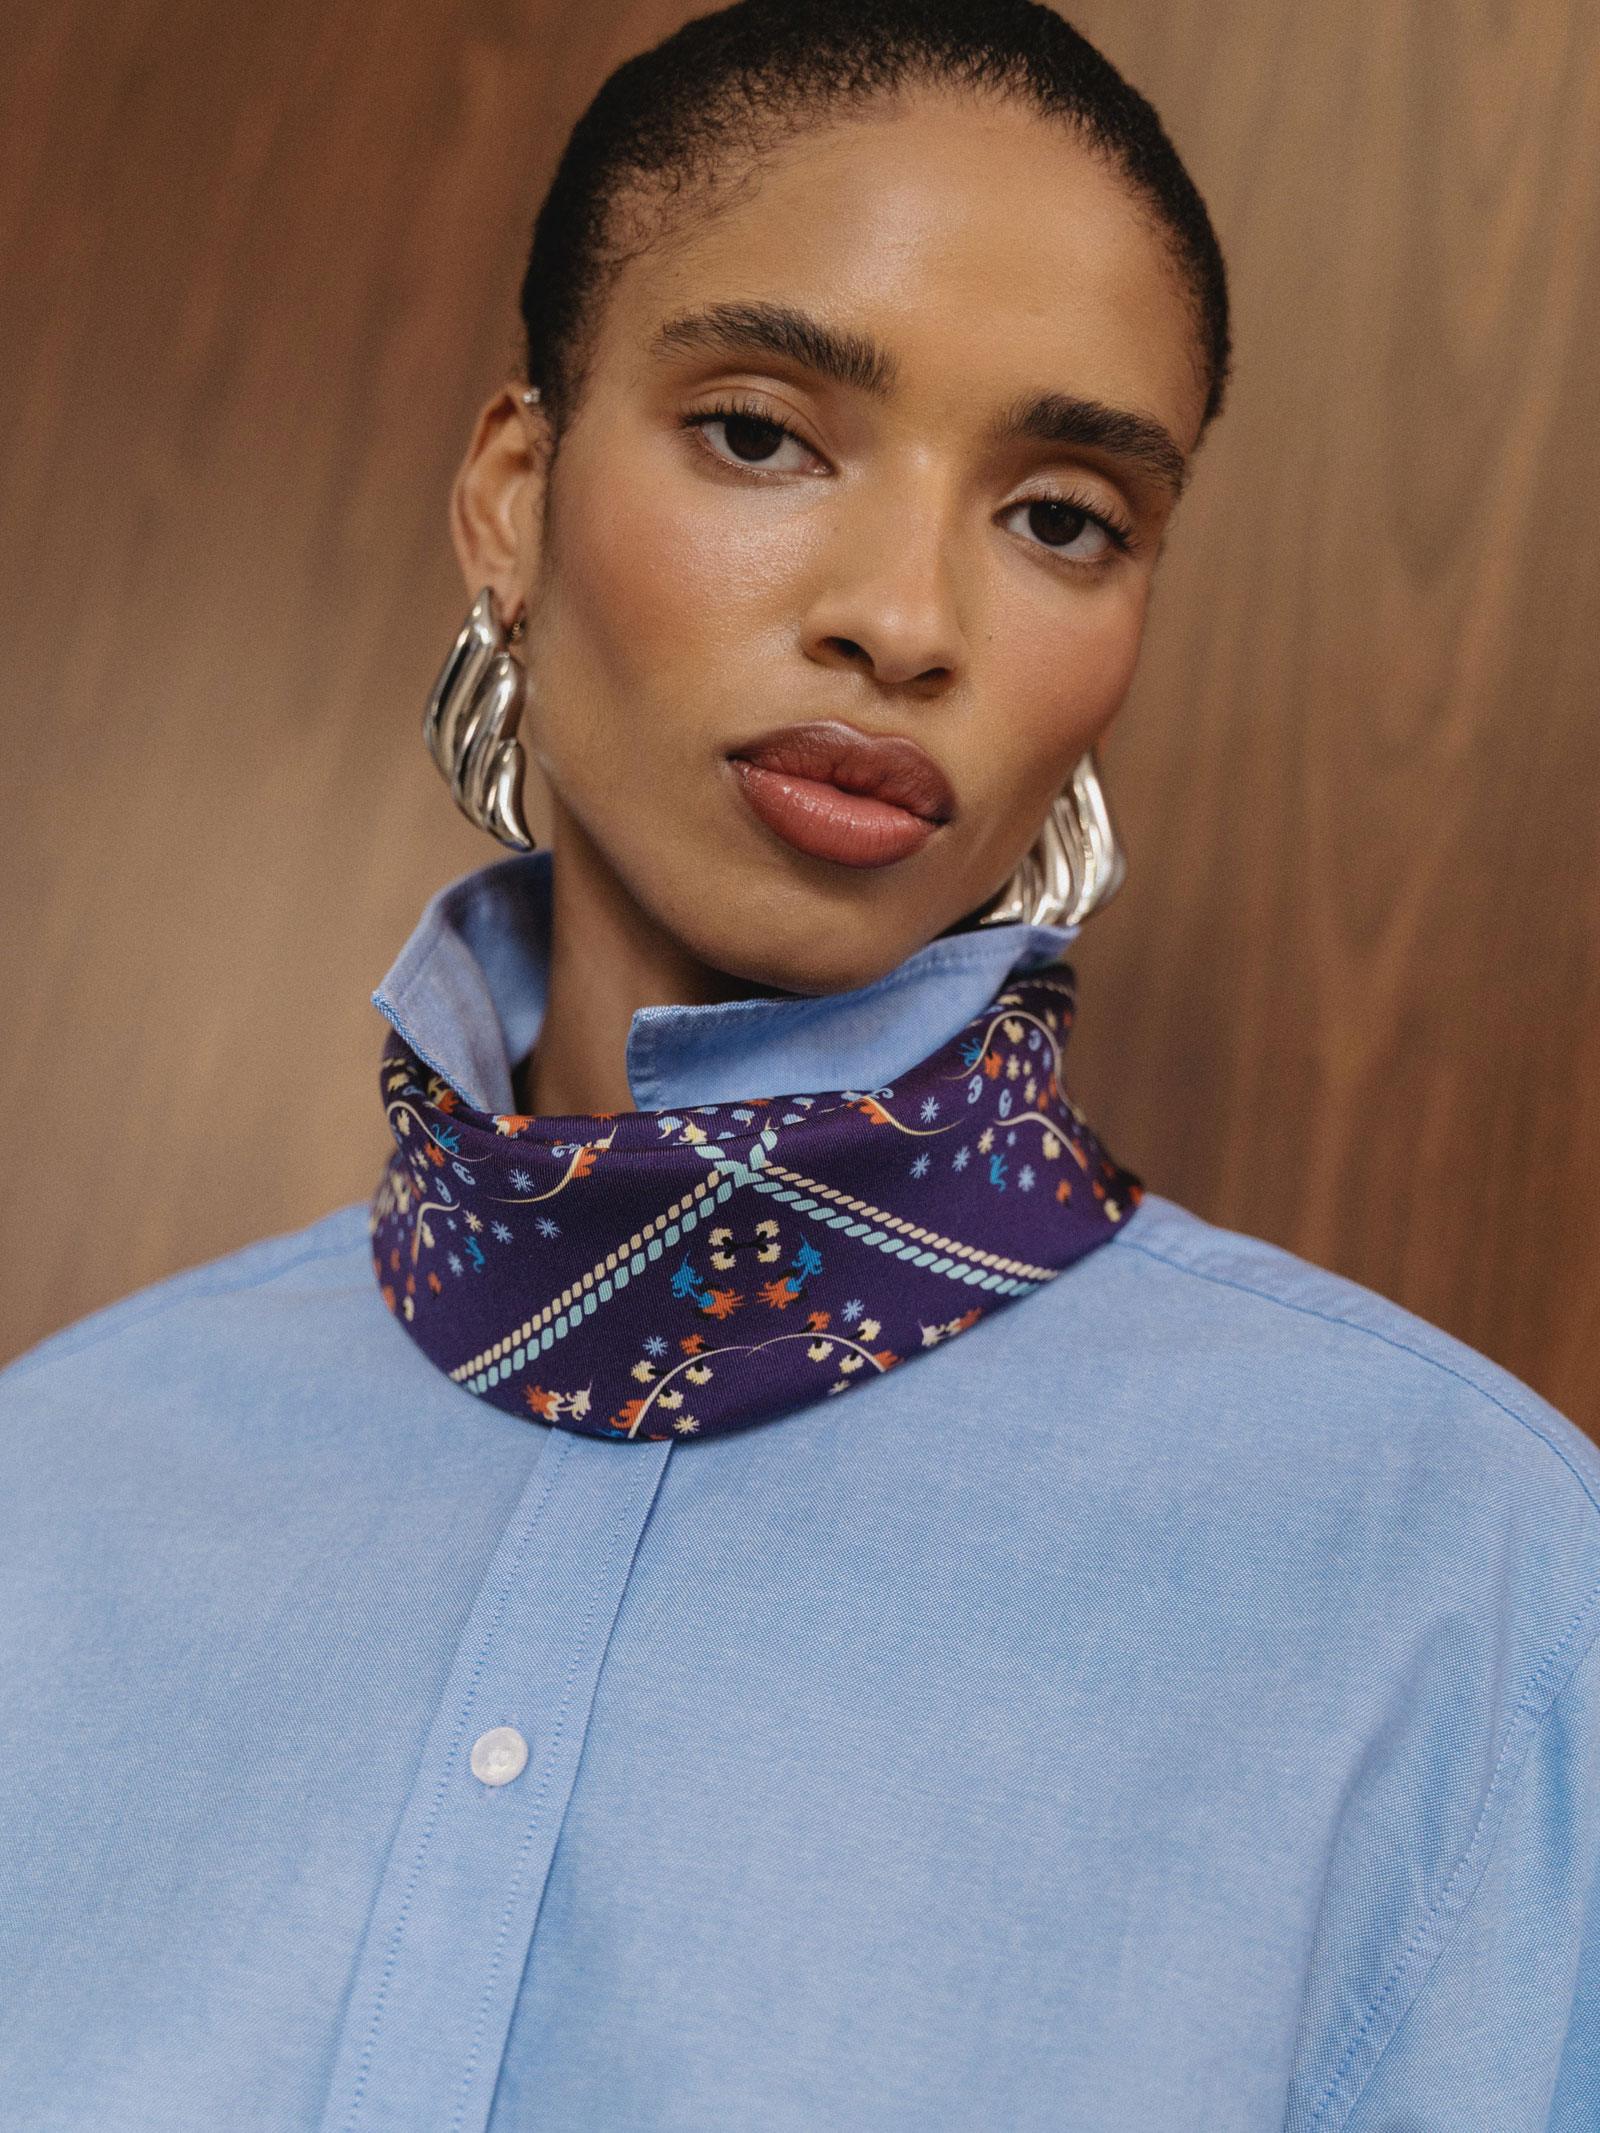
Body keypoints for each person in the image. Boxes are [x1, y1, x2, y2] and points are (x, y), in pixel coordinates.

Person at [2, 2, 1596, 2126]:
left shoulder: (1460, 1579)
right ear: (513, 498)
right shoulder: (52, 1501)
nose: (904, 617)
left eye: (1062, 516)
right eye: (761, 434)